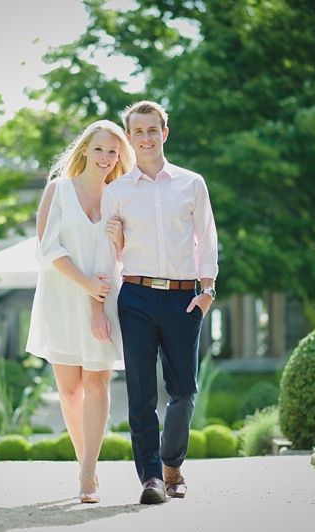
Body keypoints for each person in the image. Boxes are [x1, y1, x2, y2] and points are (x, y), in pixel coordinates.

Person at [93, 101, 219, 504]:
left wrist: (207, 289)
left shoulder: (191, 184)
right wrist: (100, 303)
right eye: (137, 131)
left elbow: (207, 238)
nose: (145, 137)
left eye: (152, 130)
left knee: (183, 391)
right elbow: (109, 255)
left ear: (164, 133)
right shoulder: (116, 192)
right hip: (137, 296)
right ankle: (150, 478)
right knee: (142, 392)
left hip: (184, 298)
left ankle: (171, 463)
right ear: (129, 139)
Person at [25, 119, 135, 504]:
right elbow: (47, 249)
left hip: (104, 298)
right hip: (61, 296)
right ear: (85, 149)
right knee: (70, 391)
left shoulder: (119, 196)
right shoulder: (58, 190)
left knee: (97, 382)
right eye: (101, 149)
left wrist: (98, 303)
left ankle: (88, 471)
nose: (106, 158)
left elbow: (117, 256)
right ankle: (82, 460)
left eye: (114, 152)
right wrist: (85, 284)